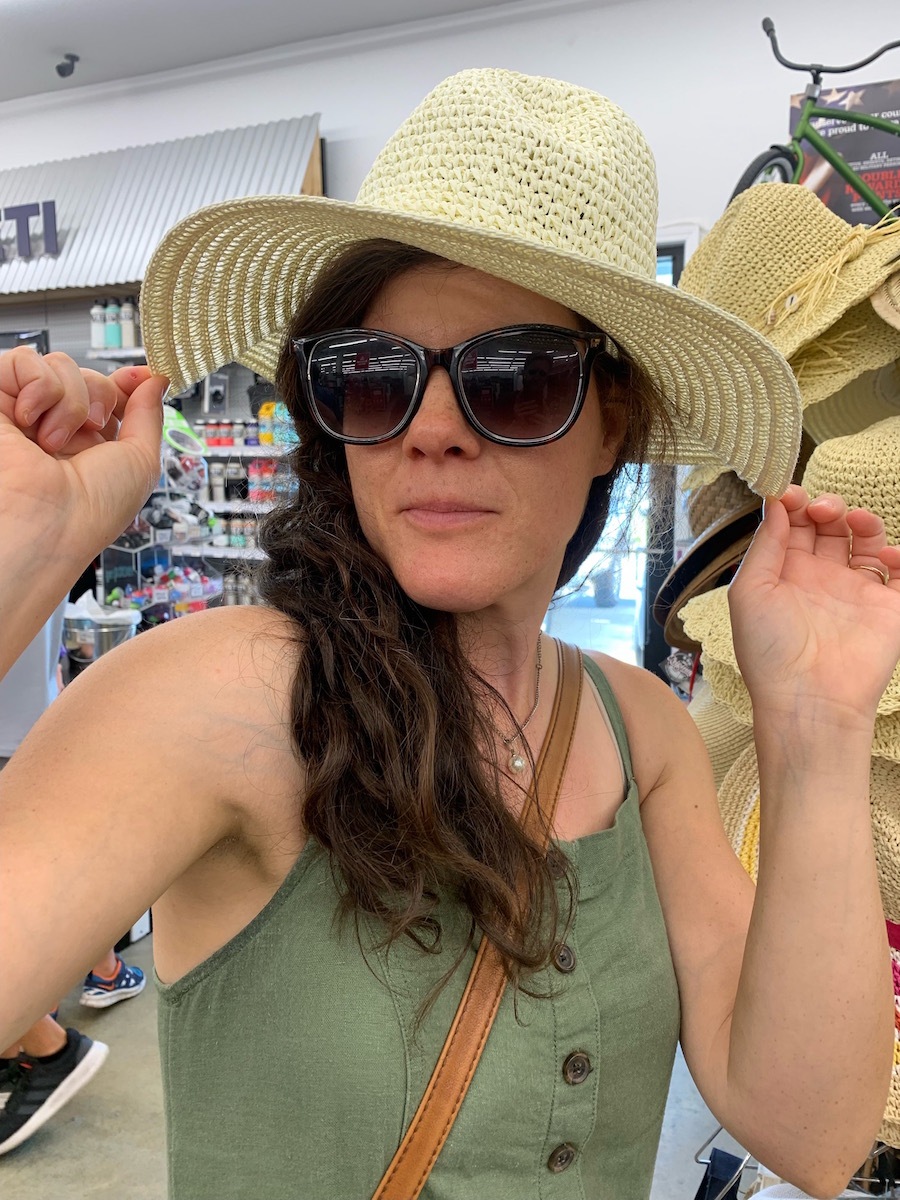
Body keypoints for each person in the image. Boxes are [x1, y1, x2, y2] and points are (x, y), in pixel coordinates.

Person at [1, 68, 899, 1198]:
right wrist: (23, 554)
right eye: (373, 379)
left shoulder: (641, 732)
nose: (430, 430)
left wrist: (815, 727)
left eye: (514, 379)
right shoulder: (218, 699)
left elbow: (811, 1135)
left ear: (611, 422)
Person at [0, 610, 145, 1156]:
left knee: (27, 897)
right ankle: (29, 1040)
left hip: (18, 732)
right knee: (35, 893)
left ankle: (46, 1045)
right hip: (33, 728)